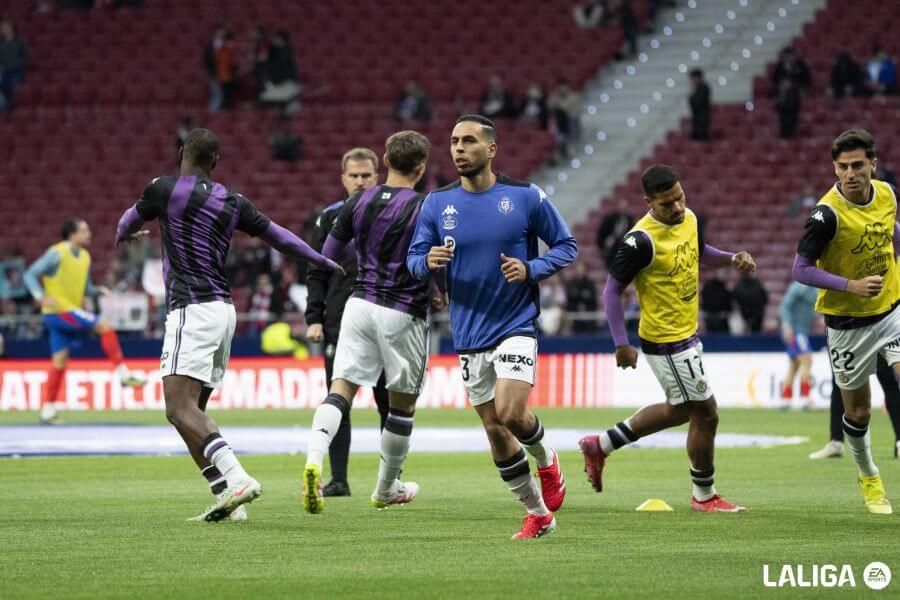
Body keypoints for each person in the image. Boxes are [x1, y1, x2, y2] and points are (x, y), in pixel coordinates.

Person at [115, 128, 341, 522]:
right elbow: (281, 238)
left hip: (191, 308)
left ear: (182, 151)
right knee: (192, 412)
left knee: (178, 408)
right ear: (216, 162)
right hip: (223, 311)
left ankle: (237, 478)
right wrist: (319, 259)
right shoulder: (233, 201)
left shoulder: (162, 188)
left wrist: (126, 234)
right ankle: (225, 496)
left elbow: (125, 223)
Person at [408, 115, 577, 539]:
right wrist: (426, 264)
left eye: (468, 141)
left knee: (511, 412)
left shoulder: (524, 197)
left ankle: (547, 458)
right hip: (467, 332)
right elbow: (412, 260)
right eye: (453, 141)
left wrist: (532, 267)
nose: (458, 149)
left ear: (491, 150)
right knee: (495, 431)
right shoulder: (435, 204)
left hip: (515, 323)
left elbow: (566, 245)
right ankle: (538, 514)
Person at [581, 164, 756, 513]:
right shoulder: (639, 240)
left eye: (679, 198)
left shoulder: (688, 218)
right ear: (648, 202)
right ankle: (704, 496)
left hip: (687, 335)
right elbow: (612, 291)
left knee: (679, 411)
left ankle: (600, 444)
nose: (676, 208)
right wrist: (620, 342)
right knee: (706, 413)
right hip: (666, 340)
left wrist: (730, 259)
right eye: (666, 204)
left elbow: (700, 251)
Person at [303, 131, 435, 514]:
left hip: (357, 305)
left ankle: (313, 458)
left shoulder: (357, 204)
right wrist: (439, 286)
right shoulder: (427, 206)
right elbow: (430, 260)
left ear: (384, 161)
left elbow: (325, 258)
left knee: (339, 390)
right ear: (421, 167)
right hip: (402, 310)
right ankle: (386, 488)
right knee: (399, 406)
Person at [791, 128, 894, 514]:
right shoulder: (825, 216)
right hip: (847, 324)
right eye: (843, 166)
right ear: (835, 168)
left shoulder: (886, 194)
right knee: (859, 412)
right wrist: (850, 284)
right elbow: (800, 269)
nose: (850, 173)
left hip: (892, 310)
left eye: (858, 165)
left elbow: (888, 231)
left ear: (873, 165)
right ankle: (869, 476)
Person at [305, 147, 390, 498]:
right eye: (353, 176)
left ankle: (389, 479)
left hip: (386, 320)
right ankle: (339, 479)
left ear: (377, 177)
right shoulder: (329, 218)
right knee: (339, 400)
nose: (359, 181)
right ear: (343, 178)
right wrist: (314, 317)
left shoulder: (392, 213)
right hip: (339, 323)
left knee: (389, 403)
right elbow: (315, 271)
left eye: (366, 176)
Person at [23, 219, 146, 424]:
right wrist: (39, 295)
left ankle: (47, 410)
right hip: (60, 310)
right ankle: (124, 374)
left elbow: (85, 287)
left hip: (65, 312)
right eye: (84, 230)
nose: (89, 233)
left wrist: (96, 290)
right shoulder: (57, 253)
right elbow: (30, 274)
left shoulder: (85, 257)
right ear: (72, 234)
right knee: (104, 326)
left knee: (59, 362)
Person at [810, 356, 900, 460]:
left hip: (874, 339)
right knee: (839, 381)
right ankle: (836, 442)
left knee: (887, 377)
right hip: (845, 341)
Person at [778, 281, 819, 408]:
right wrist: (787, 326)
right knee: (807, 361)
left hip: (800, 331)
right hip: (796, 331)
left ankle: (785, 400)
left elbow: (812, 309)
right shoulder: (798, 287)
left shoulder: (814, 288)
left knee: (794, 365)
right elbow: (784, 307)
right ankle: (805, 398)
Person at [0, 21, 29, 111]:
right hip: (3, 72)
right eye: (2, 28)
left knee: (9, 87)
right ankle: (6, 105)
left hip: (16, 72)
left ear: (11, 28)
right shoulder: (1, 44)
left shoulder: (20, 42)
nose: (3, 29)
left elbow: (27, 57)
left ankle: (8, 106)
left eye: (5, 27)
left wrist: (15, 64)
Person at [688, 69, 711, 141]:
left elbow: (699, 102)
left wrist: (691, 97)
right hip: (697, 117)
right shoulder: (697, 88)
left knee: (701, 135)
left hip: (702, 117)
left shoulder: (703, 87)